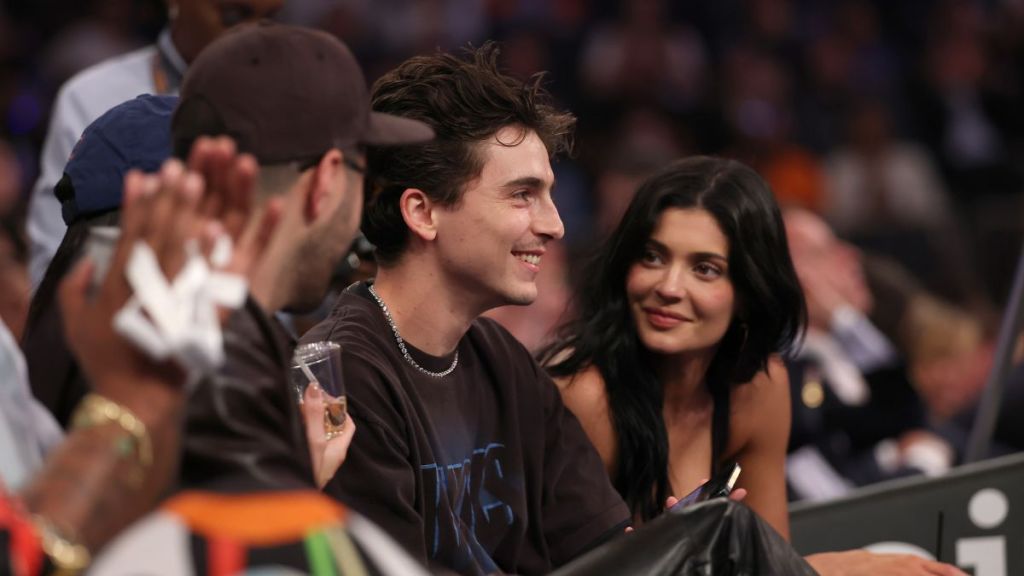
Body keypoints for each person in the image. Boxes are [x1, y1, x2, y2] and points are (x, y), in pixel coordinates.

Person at [302, 45, 817, 576]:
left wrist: (666, 551)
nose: (554, 225)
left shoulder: (503, 361)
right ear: (423, 211)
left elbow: (603, 545)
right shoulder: (342, 374)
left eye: (548, 194)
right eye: (523, 195)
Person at [542, 156, 967, 575]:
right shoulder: (586, 396)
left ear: (749, 290)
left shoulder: (759, 387)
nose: (669, 287)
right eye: (653, 257)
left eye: (705, 269)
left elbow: (771, 563)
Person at [168, 23, 433, 491]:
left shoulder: (167, 315)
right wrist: (295, 492)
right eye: (362, 173)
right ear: (327, 179)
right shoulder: (222, 368)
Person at [26, 0, 284, 289]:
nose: (252, 36)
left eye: (270, 21)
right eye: (233, 15)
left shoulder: (289, 103)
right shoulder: (93, 97)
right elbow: (54, 268)